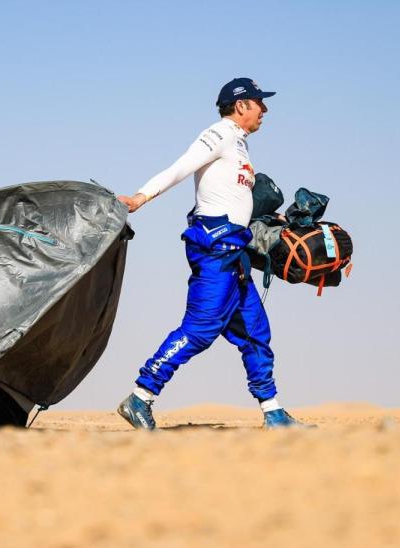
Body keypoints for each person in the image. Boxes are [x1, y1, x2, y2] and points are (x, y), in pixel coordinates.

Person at [116, 78, 314, 430]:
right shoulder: (219, 134)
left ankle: (274, 413)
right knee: (200, 329)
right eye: (258, 103)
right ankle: (140, 396)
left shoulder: (239, 145)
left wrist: (276, 220)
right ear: (240, 106)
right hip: (214, 249)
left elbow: (234, 201)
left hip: (235, 252)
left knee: (255, 332)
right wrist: (140, 198)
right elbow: (181, 167)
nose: (264, 110)